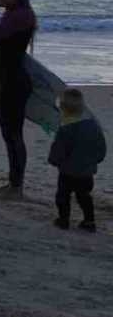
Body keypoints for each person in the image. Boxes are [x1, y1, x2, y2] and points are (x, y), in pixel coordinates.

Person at [0, 0, 37, 198]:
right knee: (10, 135)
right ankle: (14, 184)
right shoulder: (15, 13)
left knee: (13, 135)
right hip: (9, 81)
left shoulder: (19, 15)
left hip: (12, 84)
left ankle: (16, 187)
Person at [48, 89, 106, 232]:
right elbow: (101, 148)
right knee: (84, 196)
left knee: (63, 196)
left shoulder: (65, 130)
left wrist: (54, 160)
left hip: (68, 171)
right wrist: (94, 160)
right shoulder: (93, 126)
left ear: (63, 108)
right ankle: (89, 221)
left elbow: (59, 150)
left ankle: (63, 220)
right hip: (87, 171)